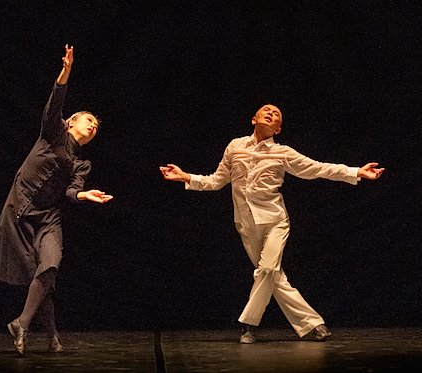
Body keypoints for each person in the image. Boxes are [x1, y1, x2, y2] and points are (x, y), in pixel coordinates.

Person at [159, 104, 383, 343]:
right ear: (254, 119)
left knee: (266, 270)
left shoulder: (283, 152)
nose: (271, 114)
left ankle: (247, 323)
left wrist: (356, 171)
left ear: (278, 129)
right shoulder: (234, 146)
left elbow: (317, 168)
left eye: (276, 115)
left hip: (275, 220)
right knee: (273, 275)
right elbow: (216, 181)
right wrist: (185, 177)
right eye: (266, 111)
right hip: (245, 223)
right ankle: (313, 324)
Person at [0, 45, 113, 355]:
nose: (93, 126)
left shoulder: (82, 164)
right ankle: (53, 337)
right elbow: (55, 102)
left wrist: (83, 193)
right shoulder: (52, 133)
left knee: (50, 266)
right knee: (40, 281)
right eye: (88, 121)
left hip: (48, 218)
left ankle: (21, 325)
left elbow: (70, 192)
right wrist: (66, 71)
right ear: (71, 123)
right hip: (20, 213)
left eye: (96, 126)